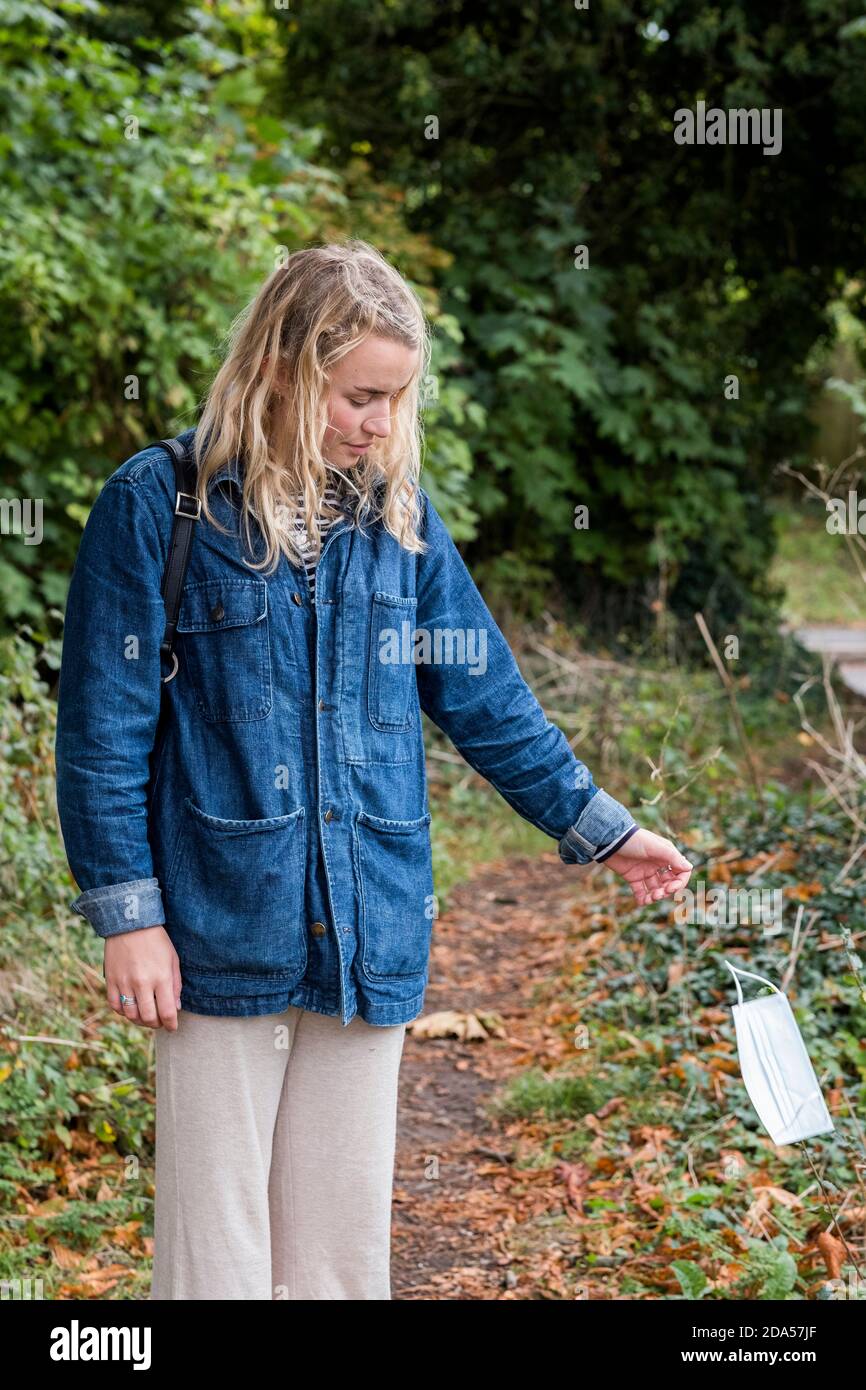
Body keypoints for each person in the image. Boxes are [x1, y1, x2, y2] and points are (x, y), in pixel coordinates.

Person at [53, 239, 693, 1301]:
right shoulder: (154, 505)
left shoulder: (398, 523)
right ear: (280, 368)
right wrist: (129, 916)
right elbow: (102, 734)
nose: (379, 424)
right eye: (358, 396)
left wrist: (600, 827)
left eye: (395, 399)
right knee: (216, 1264)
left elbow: (483, 695)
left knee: (340, 1266)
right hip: (216, 931)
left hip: (373, 929)